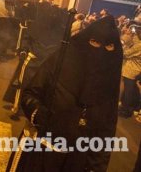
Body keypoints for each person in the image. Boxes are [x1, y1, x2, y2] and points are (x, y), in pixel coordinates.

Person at [8, 16, 123, 171]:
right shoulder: (60, 62)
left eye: (109, 46)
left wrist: (96, 168)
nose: (101, 51)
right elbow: (30, 94)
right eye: (95, 42)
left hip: (76, 162)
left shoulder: (109, 84)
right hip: (40, 151)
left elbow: (105, 133)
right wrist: (38, 113)